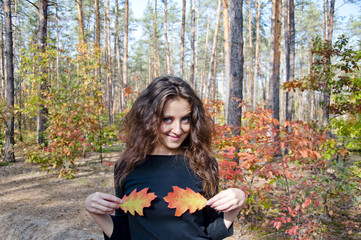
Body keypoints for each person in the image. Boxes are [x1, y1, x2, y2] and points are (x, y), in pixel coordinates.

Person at [85, 76, 245, 240]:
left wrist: (238, 200)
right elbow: (124, 233)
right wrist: (94, 210)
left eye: (185, 119)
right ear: (148, 119)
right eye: (167, 119)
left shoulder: (204, 164)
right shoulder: (127, 166)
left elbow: (211, 232)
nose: (178, 129)